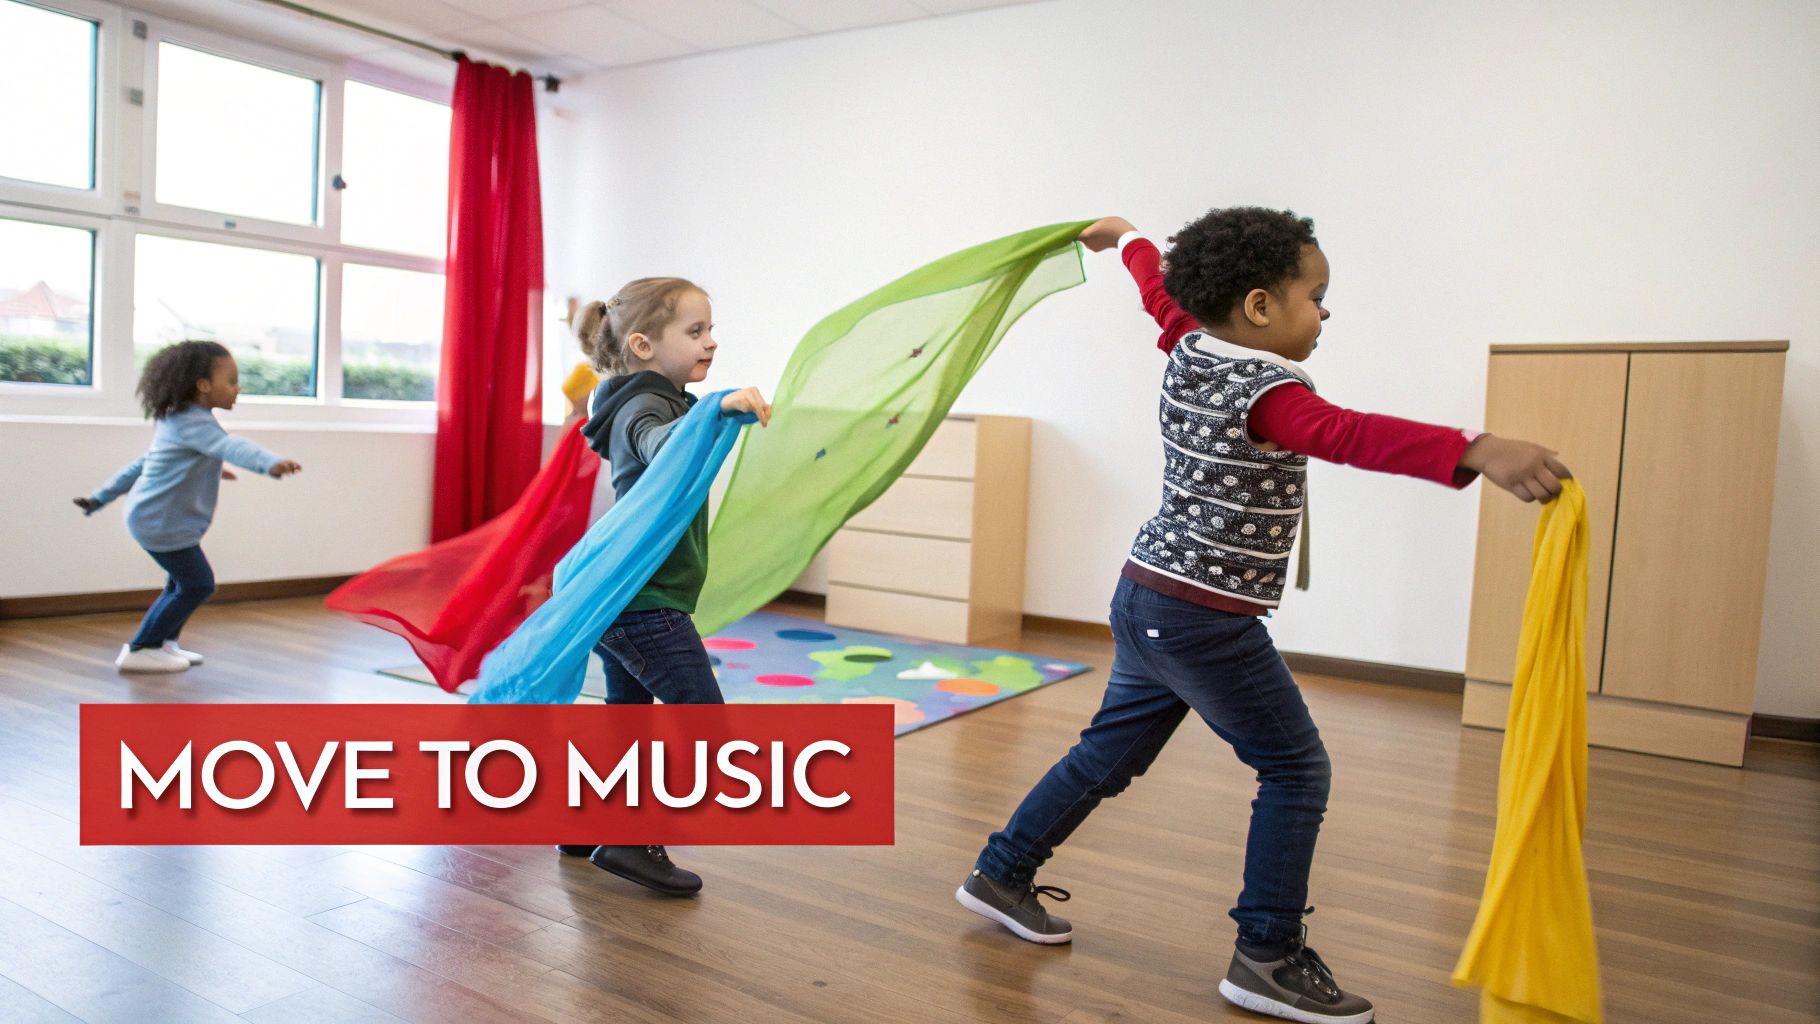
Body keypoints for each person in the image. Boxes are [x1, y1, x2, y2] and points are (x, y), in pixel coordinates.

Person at [956, 210, 1571, 1024]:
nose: (1325, 312)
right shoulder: (1270, 393)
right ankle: (1267, 954)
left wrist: (1129, 240)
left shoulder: (1188, 345)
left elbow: (1158, 297)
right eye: (1316, 296)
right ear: (1257, 307)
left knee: (1107, 754)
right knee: (1295, 769)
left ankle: (1001, 871)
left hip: (1147, 593)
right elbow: (1346, 434)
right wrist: (1477, 447)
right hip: (1203, 618)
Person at [555, 277, 771, 896]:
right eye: (695, 332)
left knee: (627, 720)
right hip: (644, 602)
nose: (711, 342)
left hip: (624, 595)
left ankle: (589, 822)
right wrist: (716, 408)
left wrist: (706, 409)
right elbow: (657, 447)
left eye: (710, 330)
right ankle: (631, 839)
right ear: (645, 345)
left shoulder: (656, 397)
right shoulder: (643, 409)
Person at [75, 341, 301, 673]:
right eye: (232, 381)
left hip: (159, 519)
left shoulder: (181, 420)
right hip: (160, 521)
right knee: (198, 584)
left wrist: (100, 497)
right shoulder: (193, 424)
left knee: (179, 584)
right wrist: (270, 462)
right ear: (203, 386)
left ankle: (164, 644)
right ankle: (142, 648)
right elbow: (229, 445)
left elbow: (146, 464)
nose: (238, 388)